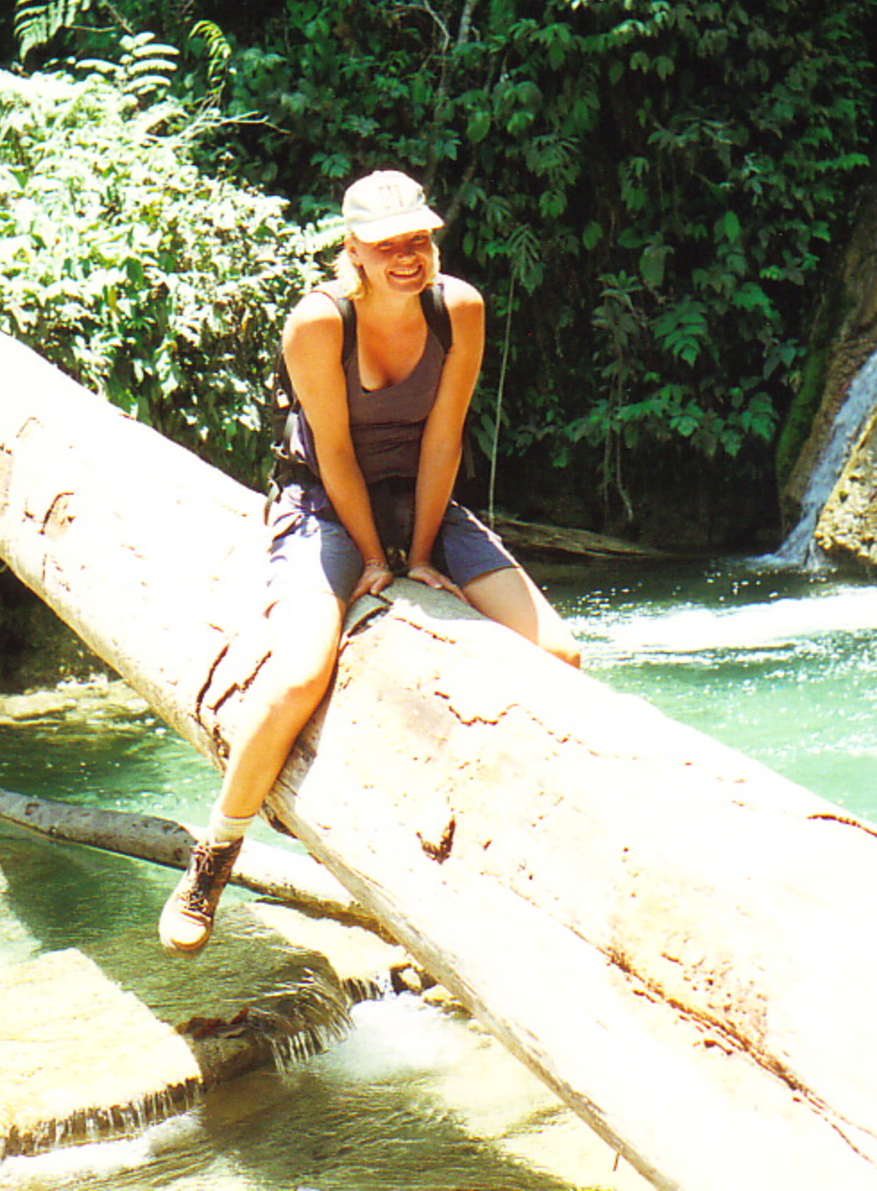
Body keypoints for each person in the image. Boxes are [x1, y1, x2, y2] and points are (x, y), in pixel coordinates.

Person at [159, 169, 580, 954]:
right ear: (352, 248)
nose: (409, 257)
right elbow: (337, 454)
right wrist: (372, 562)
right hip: (322, 503)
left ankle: (530, 875)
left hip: (421, 499)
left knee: (559, 653)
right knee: (296, 678)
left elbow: (446, 437)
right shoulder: (317, 325)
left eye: (419, 239)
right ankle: (212, 859)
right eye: (388, 245)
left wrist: (419, 555)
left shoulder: (460, 310)